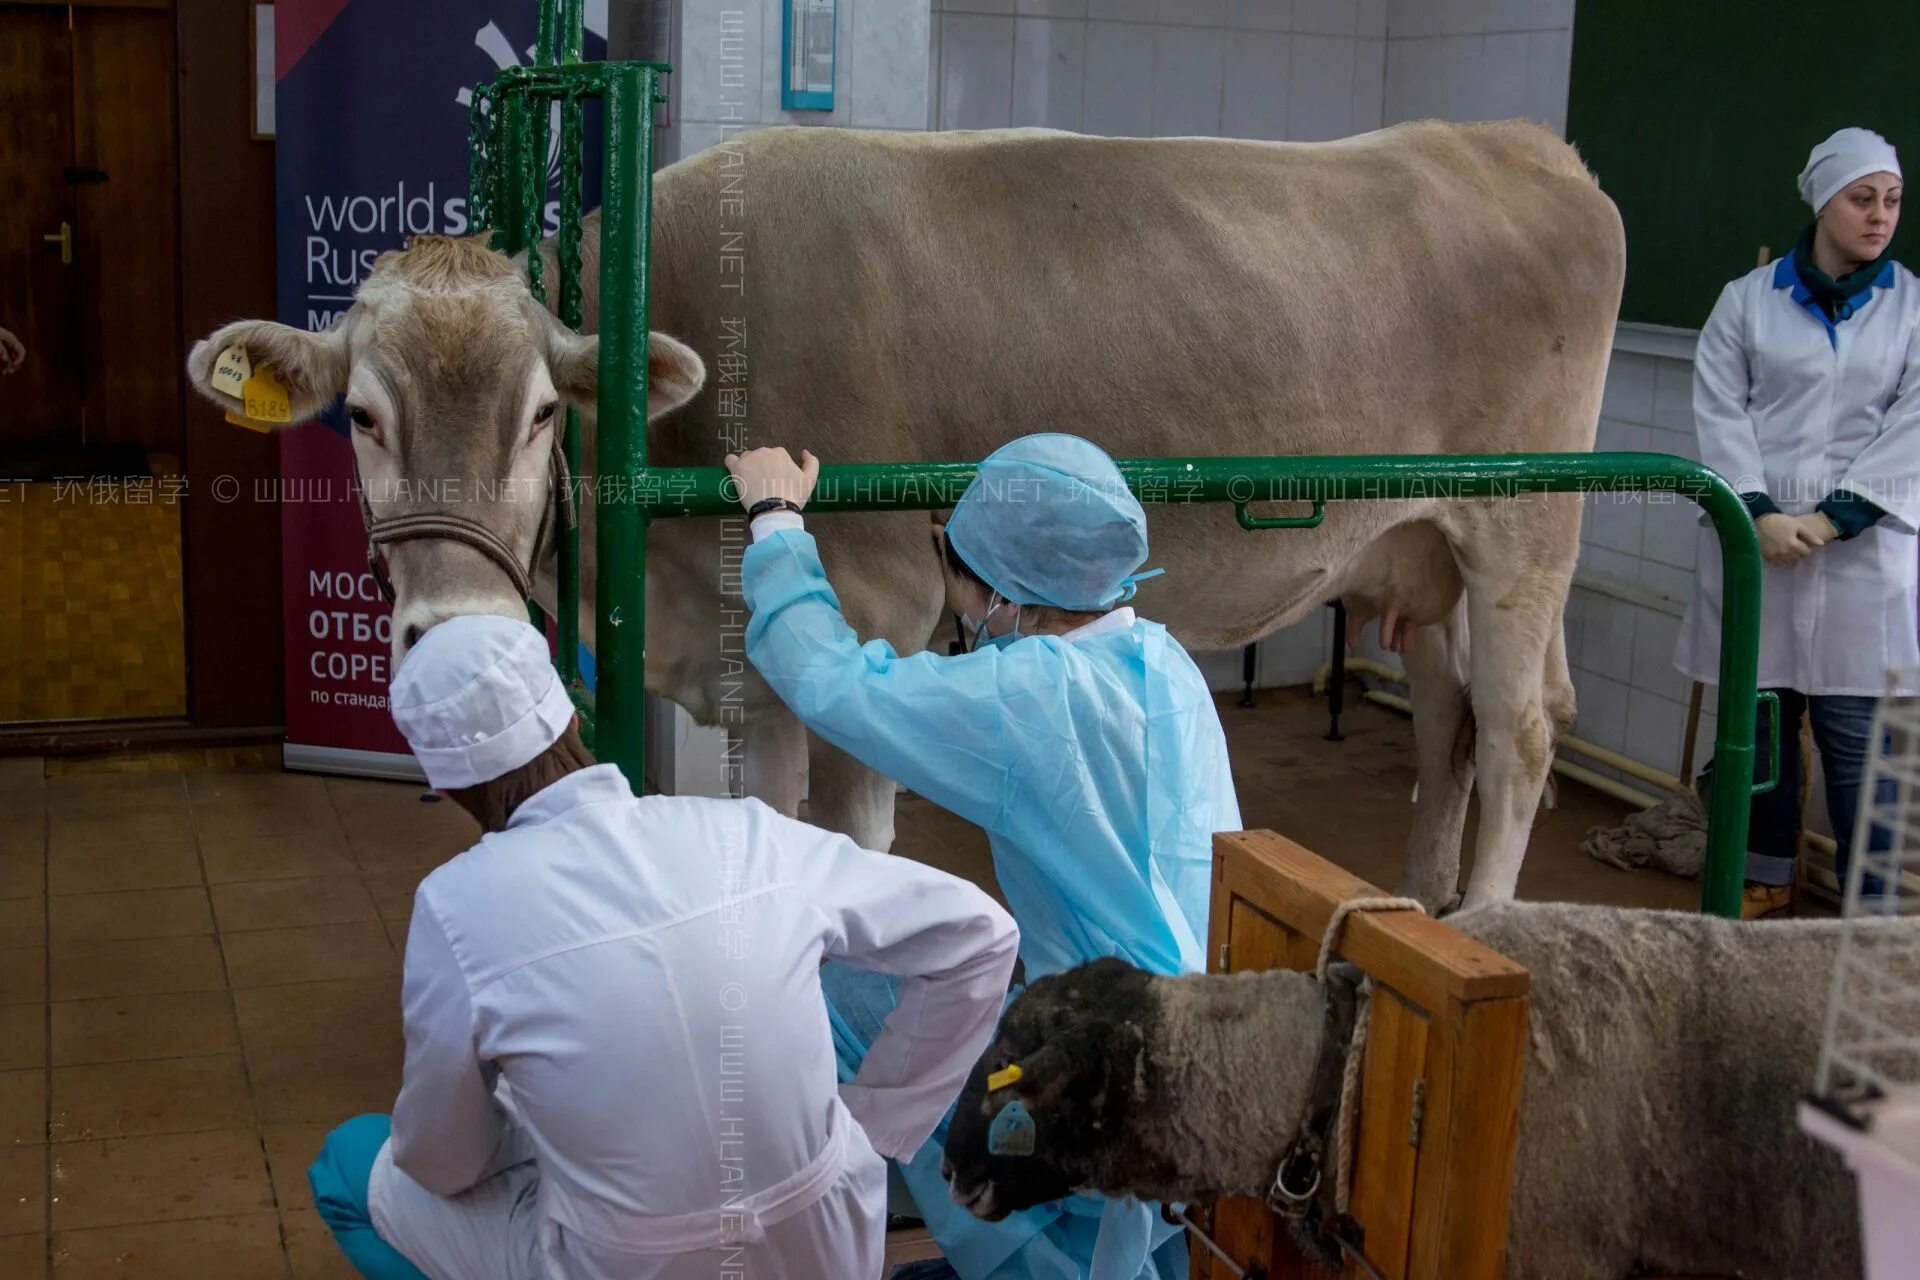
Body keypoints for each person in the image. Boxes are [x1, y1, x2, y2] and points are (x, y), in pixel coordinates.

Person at [308, 614, 1020, 1280]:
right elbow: (979, 935)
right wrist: (872, 1125)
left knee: (347, 1166)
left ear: (442, 779)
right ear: (566, 713)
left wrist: (540, 1138)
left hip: (622, 1263)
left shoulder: (455, 905)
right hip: (828, 1236)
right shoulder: (740, 831)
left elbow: (443, 1160)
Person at [727, 433, 1242, 1280]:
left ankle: (1019, 1254)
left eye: (947, 557)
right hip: (1198, 1046)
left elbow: (834, 684)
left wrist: (777, 521)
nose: (948, 584)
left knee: (821, 984)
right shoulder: (1167, 661)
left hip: (1097, 1070)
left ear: (999, 586)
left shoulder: (1029, 694)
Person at [1677, 126, 1918, 913]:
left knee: (1858, 740)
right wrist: (1758, 514)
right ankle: (1763, 875)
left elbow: (1915, 420)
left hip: (1861, 559)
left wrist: (1834, 517)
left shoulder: (1912, 307)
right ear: (1823, 201)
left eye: (1891, 201)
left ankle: (1870, 906)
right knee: (1761, 725)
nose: (1879, 217)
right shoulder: (1747, 303)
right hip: (1761, 548)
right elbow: (1720, 410)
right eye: (1861, 199)